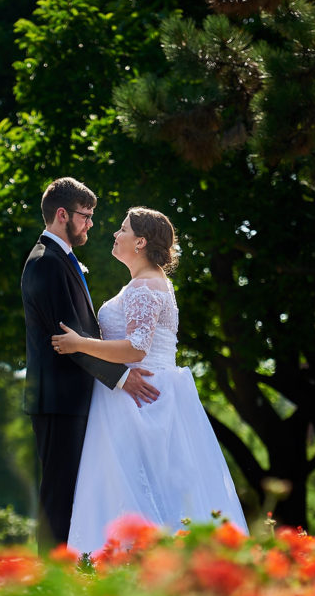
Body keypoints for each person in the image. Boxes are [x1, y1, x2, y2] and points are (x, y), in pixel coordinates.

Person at [51, 207, 248, 554]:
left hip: (139, 400)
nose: (115, 234)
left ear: (140, 241)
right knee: (150, 488)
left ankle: (138, 565)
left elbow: (136, 349)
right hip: (146, 393)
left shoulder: (144, 285)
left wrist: (79, 344)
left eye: (122, 229)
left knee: (137, 488)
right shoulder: (148, 281)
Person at [21, 178, 161, 552]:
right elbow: (66, 341)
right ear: (62, 215)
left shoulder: (61, 259)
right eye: (85, 216)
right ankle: (51, 586)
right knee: (59, 497)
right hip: (59, 401)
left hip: (76, 400)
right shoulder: (46, 263)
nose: (91, 224)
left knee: (75, 496)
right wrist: (122, 379)